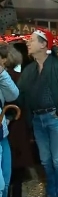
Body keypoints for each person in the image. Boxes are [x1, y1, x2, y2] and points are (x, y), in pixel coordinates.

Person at [17, 29, 58, 197]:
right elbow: (18, 94)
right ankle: (52, 193)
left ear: (44, 44)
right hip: (37, 120)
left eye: (32, 40)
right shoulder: (29, 70)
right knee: (45, 161)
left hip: (55, 119)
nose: (28, 43)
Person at [0, 43, 20, 197]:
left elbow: (13, 95)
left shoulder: (4, 74)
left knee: (6, 179)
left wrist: (2, 74)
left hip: (2, 133)